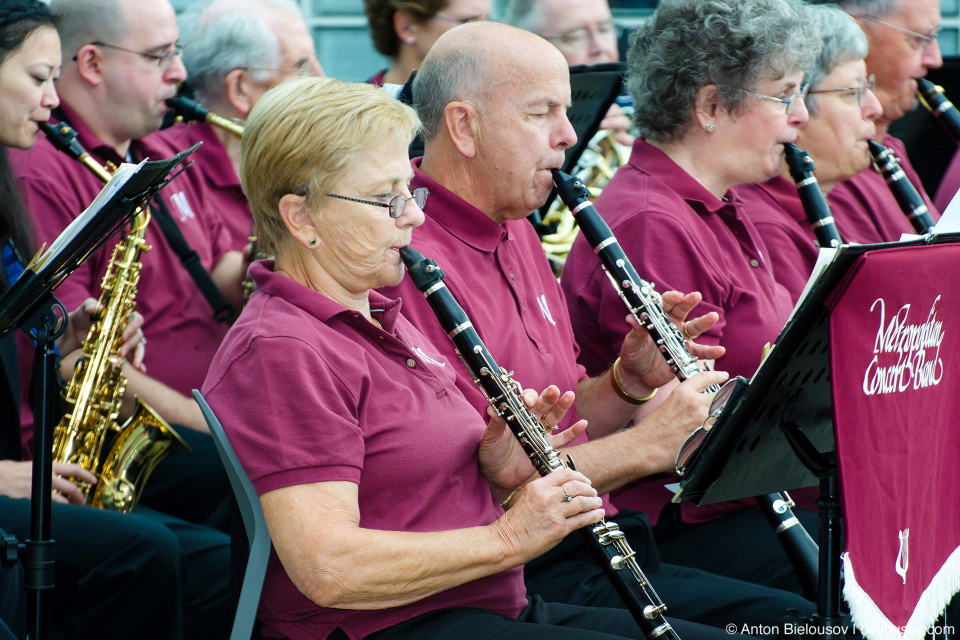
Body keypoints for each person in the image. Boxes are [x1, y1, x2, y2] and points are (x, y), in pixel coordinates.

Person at [202, 75, 747, 640]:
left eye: (408, 194)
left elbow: (421, 484)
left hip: (486, 608)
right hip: (389, 627)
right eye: (387, 200)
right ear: (302, 218)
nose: (412, 218)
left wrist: (501, 471)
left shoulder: (384, 315)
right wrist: (510, 537)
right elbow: (329, 569)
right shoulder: (281, 349)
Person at [382, 17, 815, 626]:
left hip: (597, 539)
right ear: (463, 126)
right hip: (513, 573)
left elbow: (557, 428)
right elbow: (488, 483)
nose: (568, 135)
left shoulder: (520, 230)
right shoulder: (405, 260)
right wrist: (647, 446)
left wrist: (626, 384)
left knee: (800, 616)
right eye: (541, 113)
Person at [560, 0, 822, 594]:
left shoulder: (727, 202)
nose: (800, 116)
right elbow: (681, 432)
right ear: (709, 106)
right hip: (687, 521)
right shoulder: (652, 220)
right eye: (784, 95)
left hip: (750, 501)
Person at [0, 2, 230, 638]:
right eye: (41, 77)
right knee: (145, 551)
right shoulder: (31, 168)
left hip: (36, 456)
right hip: (14, 469)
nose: (54, 99)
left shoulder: (6, 177)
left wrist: (62, 334)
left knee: (205, 555)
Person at [738, 2, 882, 301]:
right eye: (851, 93)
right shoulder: (765, 222)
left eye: (868, 87)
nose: (875, 108)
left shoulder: (833, 194)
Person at [169, 0, 324, 252]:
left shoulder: (304, 155)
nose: (322, 78)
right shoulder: (172, 171)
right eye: (301, 67)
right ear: (240, 88)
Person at [811, 0, 941, 242]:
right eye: (921, 39)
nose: (935, 59)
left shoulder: (889, 149)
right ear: (858, 33)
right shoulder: (830, 168)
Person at [503, 0, 631, 141]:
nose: (600, 47)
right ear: (529, 47)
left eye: (604, 29)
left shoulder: (634, 102)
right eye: (576, 36)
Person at [363, 0, 490, 96]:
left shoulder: (486, 102)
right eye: (467, 22)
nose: (486, 34)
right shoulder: (356, 117)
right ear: (406, 26)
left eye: (488, 21)